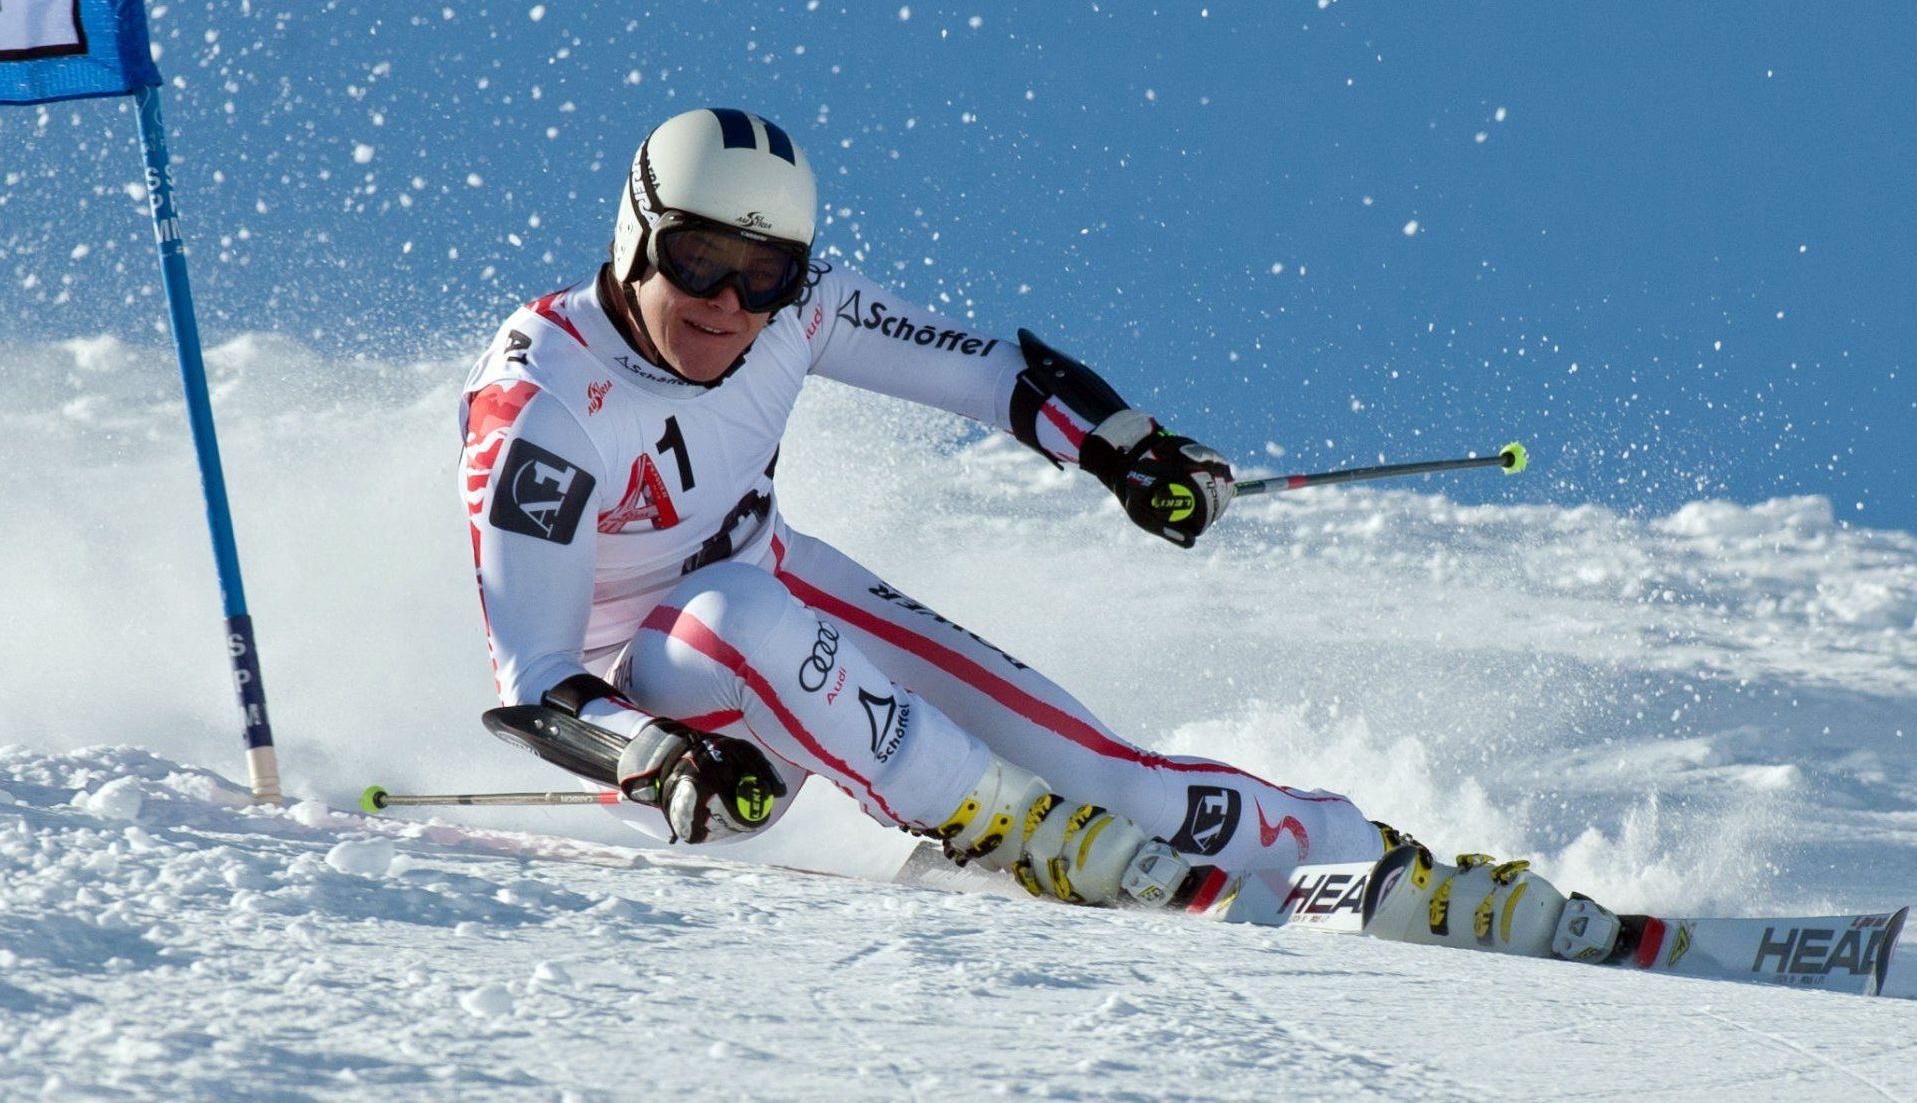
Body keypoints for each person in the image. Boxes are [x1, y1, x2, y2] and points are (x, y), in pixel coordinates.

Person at [457, 108, 1621, 950]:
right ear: (634, 234)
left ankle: (1375, 860)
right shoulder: (547, 405)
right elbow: (539, 677)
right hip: (671, 712)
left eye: (764, 275)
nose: (729, 305)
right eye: (701, 260)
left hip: (789, 610)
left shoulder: (792, 314)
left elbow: (988, 370)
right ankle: (998, 826)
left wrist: (1122, 442)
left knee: (1121, 782)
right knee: (728, 615)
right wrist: (651, 756)